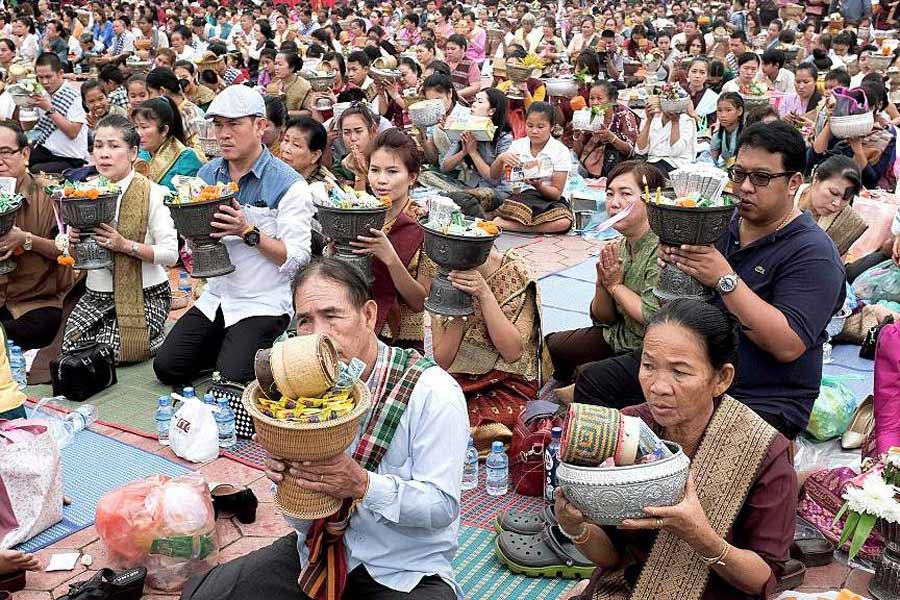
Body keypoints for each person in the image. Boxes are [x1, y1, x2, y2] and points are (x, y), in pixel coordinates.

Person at [181, 257, 467, 600]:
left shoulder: (433, 391)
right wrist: (289, 481)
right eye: (305, 321)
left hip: (403, 571)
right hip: (319, 552)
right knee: (206, 596)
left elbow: (441, 507)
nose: (318, 335)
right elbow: (303, 523)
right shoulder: (300, 392)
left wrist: (362, 484)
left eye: (332, 316)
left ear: (368, 316)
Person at [578, 122, 846, 439]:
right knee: (594, 382)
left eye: (761, 177)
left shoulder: (813, 253)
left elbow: (787, 345)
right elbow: (672, 308)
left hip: (760, 394)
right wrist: (675, 273)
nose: (745, 187)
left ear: (794, 183)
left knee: (704, 451)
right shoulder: (718, 222)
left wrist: (725, 279)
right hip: (690, 369)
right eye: (739, 174)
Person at [553, 299, 796, 600]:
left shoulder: (764, 452)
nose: (658, 387)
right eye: (648, 366)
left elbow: (763, 579)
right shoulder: (629, 429)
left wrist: (700, 536)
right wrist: (575, 527)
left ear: (721, 378)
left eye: (679, 372)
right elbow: (613, 557)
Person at [153, 86, 314, 386]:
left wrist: (247, 232)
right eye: (218, 125)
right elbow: (194, 240)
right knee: (168, 367)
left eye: (234, 124)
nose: (224, 134)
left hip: (263, 301)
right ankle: (231, 349)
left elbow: (298, 258)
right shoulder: (208, 175)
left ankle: (253, 351)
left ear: (260, 126)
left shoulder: (288, 184)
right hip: (216, 295)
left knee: (231, 382)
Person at [62, 115, 177, 363]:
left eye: (114, 146)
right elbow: (74, 257)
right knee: (72, 349)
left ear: (133, 152)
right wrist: (72, 242)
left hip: (145, 293)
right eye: (98, 146)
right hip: (97, 295)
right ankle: (150, 337)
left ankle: (157, 339)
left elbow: (170, 254)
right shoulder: (82, 193)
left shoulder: (154, 193)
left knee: (112, 353)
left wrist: (125, 245)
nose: (104, 154)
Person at [546, 161, 662, 389]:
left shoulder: (661, 250)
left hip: (648, 349)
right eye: (610, 194)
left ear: (650, 199)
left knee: (586, 377)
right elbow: (604, 318)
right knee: (554, 345)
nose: (614, 203)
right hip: (618, 335)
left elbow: (651, 316)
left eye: (625, 194)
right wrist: (603, 284)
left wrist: (616, 287)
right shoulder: (618, 246)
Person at [0, 120, 76, 351]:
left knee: (44, 325)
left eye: (5, 152)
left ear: (25, 154)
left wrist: (26, 240)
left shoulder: (49, 195)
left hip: (36, 301)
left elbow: (70, 251)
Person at [351, 129, 429, 348]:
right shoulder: (361, 212)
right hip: (355, 325)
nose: (381, 180)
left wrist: (390, 259)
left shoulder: (423, 226)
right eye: (374, 170)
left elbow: (419, 301)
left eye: (392, 171)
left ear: (412, 177)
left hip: (400, 338)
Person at [491, 102, 574, 234]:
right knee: (516, 208)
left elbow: (556, 193)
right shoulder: (518, 146)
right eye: (530, 126)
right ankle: (517, 224)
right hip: (522, 197)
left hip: (549, 200)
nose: (534, 131)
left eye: (541, 127)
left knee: (564, 222)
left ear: (552, 127)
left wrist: (539, 186)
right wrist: (501, 159)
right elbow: (494, 175)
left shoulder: (560, 151)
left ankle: (511, 226)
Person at [440, 88, 514, 213]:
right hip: (470, 187)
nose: (473, 104)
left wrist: (473, 153)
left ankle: (458, 199)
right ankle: (458, 198)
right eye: (474, 101)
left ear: (492, 111)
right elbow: (444, 167)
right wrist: (464, 152)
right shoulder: (465, 129)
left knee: (474, 196)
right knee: (427, 176)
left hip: (494, 191)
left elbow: (494, 179)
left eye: (480, 101)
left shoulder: (504, 138)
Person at [24, 54, 89, 174]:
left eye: (49, 77)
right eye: (40, 77)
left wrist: (49, 108)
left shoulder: (74, 97)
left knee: (34, 171)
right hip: (46, 150)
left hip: (70, 157)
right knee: (16, 160)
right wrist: (26, 108)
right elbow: (27, 127)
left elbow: (72, 132)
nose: (45, 82)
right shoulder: (42, 95)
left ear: (60, 73)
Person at [795, 155, 865, 256]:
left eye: (845, 199)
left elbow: (836, 263)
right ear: (816, 179)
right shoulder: (787, 194)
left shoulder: (847, 221)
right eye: (834, 193)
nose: (837, 203)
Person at [134, 97, 205, 192]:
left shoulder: (186, 158)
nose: (138, 133)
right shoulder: (139, 155)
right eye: (136, 127)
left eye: (144, 127)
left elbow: (194, 195)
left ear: (164, 130)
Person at [573, 81, 640, 179]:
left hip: (617, 169)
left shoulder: (624, 116)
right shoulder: (588, 115)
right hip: (587, 168)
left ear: (611, 100)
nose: (595, 103)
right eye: (592, 98)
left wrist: (611, 138)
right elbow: (577, 153)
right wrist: (576, 137)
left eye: (599, 98)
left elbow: (631, 151)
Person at [146, 67, 207, 160]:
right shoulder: (165, 112)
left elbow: (201, 156)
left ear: (162, 91)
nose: (149, 98)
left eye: (150, 93)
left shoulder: (191, 115)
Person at [279, 115, 336, 206]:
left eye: (296, 145)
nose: (286, 149)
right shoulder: (279, 174)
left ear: (315, 156)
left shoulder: (323, 191)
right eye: (286, 140)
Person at [635, 97, 697, 175]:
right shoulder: (653, 118)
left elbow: (675, 151)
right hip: (652, 162)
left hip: (675, 164)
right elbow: (640, 150)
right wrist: (649, 121)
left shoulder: (686, 121)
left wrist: (675, 123)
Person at [273, 51, 314, 117]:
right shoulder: (275, 81)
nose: (276, 68)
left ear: (292, 67)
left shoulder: (304, 86)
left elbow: (310, 112)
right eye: (275, 64)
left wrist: (286, 113)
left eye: (280, 65)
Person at [710, 92, 745, 166]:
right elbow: (713, 160)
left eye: (728, 110)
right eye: (719, 110)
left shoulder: (746, 135)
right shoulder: (718, 135)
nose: (723, 115)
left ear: (739, 111)